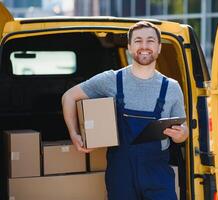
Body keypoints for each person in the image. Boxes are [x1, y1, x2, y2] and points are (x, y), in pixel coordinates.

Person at [61, 21, 188, 200]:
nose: (144, 46)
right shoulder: (111, 80)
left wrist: (180, 134)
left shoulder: (172, 88)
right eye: (138, 41)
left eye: (150, 41)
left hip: (157, 174)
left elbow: (184, 132)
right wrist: (74, 134)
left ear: (159, 47)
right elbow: (69, 97)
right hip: (121, 174)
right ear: (129, 47)